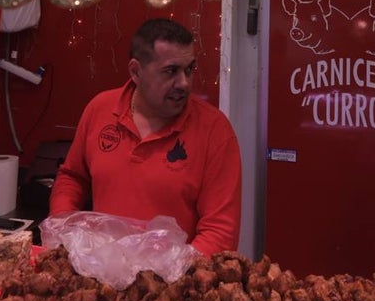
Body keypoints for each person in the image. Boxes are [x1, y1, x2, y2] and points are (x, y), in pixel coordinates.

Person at [49, 18, 242, 257]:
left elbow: (220, 232)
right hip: (101, 276)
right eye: (171, 71)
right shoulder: (100, 109)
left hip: (172, 285)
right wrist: (65, 233)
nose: (183, 82)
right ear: (136, 72)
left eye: (189, 69)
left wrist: (165, 274)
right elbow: (72, 178)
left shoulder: (215, 130)